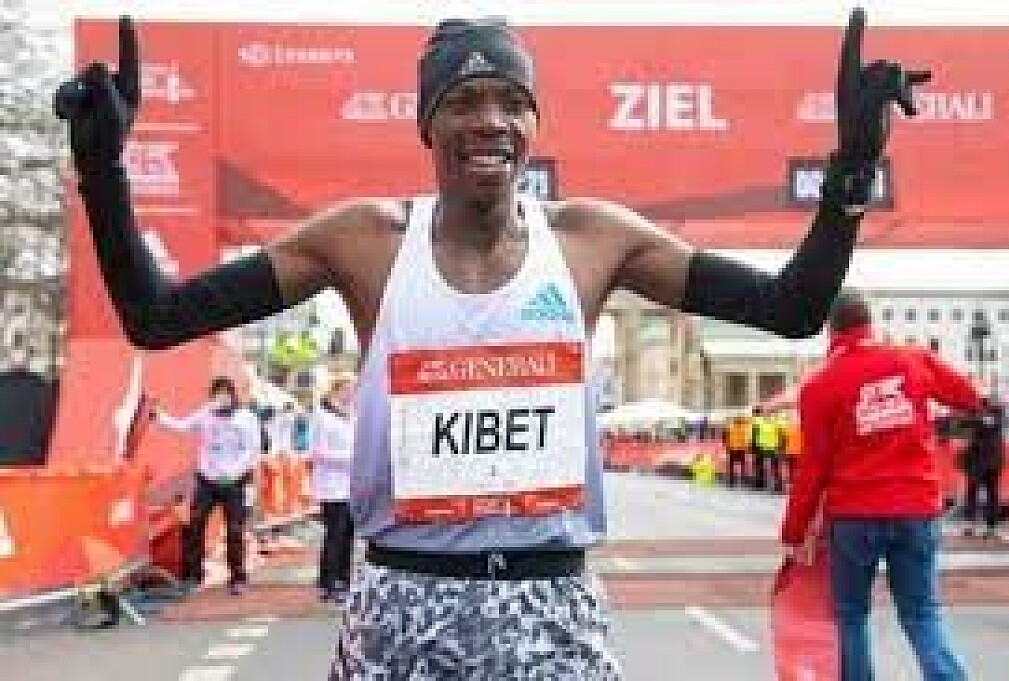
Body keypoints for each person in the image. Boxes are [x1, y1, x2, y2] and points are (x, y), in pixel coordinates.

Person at [60, 10, 931, 678]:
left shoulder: (592, 240)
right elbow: (156, 317)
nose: (491, 120)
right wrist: (104, 173)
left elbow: (791, 307)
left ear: (535, 124)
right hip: (403, 608)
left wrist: (851, 170)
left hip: (548, 608)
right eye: (465, 101)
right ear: (427, 124)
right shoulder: (365, 243)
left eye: (513, 102)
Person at [780, 292, 982, 681]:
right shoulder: (912, 359)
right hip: (915, 505)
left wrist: (794, 531)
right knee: (921, 613)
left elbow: (813, 468)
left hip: (853, 515)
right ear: (869, 322)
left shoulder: (819, 385)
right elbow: (969, 397)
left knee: (851, 615)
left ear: (830, 329)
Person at [151, 376, 263, 595]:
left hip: (234, 482)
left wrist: (234, 473)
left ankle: (238, 578)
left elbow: (252, 450)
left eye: (225, 394)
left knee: (234, 530)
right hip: (207, 480)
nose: (221, 399)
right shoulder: (205, 413)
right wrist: (158, 416)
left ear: (232, 395)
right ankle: (193, 576)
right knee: (194, 524)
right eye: (217, 394)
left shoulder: (246, 417)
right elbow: (182, 426)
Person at [307, 374, 358, 602]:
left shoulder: (352, 415)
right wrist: (350, 459)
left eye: (354, 389)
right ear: (336, 389)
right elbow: (317, 452)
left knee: (347, 536)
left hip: (350, 486)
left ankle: (344, 580)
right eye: (349, 388)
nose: (352, 393)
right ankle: (328, 583)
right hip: (331, 486)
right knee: (334, 535)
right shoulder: (321, 416)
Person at [960, 396, 1005, 539]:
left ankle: (990, 526)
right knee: (972, 491)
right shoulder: (974, 412)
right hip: (977, 459)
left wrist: (975, 414)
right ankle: (970, 523)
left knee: (991, 492)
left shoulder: (997, 412)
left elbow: (988, 422)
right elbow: (962, 424)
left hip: (990, 460)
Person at [751, 405, 782, 491]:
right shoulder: (760, 422)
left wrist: (780, 446)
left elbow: (781, 434)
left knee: (772, 467)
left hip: (768, 447)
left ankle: (774, 484)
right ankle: (762, 483)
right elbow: (754, 434)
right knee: (764, 466)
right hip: (765, 447)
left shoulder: (774, 422)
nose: (767, 413)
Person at [723, 414, 752, 488]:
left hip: (732, 448)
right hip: (741, 449)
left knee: (731, 466)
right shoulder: (744, 428)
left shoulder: (730, 428)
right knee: (742, 465)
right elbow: (747, 439)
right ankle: (742, 480)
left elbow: (725, 437)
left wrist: (727, 446)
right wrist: (747, 447)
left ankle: (731, 481)